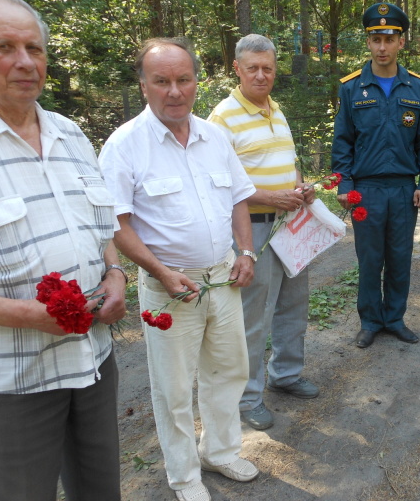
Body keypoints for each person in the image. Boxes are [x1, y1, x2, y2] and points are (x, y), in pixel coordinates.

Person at [0, 0, 126, 501]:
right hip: (10, 384)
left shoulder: (71, 136)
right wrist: (28, 315)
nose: (25, 62)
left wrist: (115, 275)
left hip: (91, 360)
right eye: (5, 47)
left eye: (36, 48)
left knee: (100, 493)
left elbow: (101, 228)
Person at [99, 38, 258, 501]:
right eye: (162, 81)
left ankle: (221, 451)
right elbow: (117, 224)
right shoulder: (125, 145)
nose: (175, 91)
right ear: (144, 84)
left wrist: (245, 251)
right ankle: (185, 475)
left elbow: (238, 199)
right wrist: (161, 271)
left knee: (229, 370)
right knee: (172, 389)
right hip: (170, 287)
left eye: (183, 79)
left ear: (196, 81)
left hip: (223, 277)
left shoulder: (215, 136)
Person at [208, 34, 319, 432]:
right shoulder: (221, 119)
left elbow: (290, 163)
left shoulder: (277, 110)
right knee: (253, 317)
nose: (261, 75)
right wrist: (272, 196)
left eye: (268, 68)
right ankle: (247, 398)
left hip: (288, 225)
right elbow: (219, 185)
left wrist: (301, 186)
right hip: (251, 230)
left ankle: (286, 375)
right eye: (252, 68)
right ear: (236, 68)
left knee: (293, 304)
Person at [331, 2, 420, 349]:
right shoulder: (351, 88)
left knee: (400, 257)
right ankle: (370, 321)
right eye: (375, 39)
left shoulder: (416, 88)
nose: (381, 47)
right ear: (368, 42)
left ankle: (394, 318)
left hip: (404, 190)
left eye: (388, 39)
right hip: (367, 189)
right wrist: (344, 184)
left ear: (401, 43)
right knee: (370, 259)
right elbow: (343, 141)